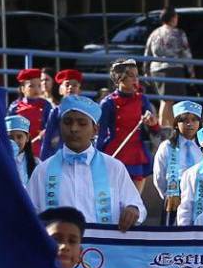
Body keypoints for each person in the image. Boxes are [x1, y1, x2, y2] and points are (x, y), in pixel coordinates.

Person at [28, 96, 144, 231]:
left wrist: (133, 209)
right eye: (67, 122)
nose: (74, 129)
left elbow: (137, 206)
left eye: (82, 123)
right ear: (60, 126)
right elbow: (29, 213)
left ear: (95, 129)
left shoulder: (114, 168)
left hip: (104, 250)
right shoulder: (43, 171)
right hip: (58, 249)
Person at [96, 60, 158, 192]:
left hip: (136, 154)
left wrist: (153, 123)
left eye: (137, 75)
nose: (136, 79)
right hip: (115, 152)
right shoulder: (108, 103)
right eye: (131, 76)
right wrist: (96, 157)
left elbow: (155, 129)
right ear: (119, 78)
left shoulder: (142, 99)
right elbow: (101, 133)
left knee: (135, 202)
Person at [151, 100, 203, 224]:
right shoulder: (167, 146)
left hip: (200, 195)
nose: (189, 124)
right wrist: (170, 194)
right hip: (174, 196)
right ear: (176, 124)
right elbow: (159, 177)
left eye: (194, 120)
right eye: (184, 120)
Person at [144, 7, 192, 116]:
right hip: (173, 69)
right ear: (173, 18)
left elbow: (147, 53)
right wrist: (191, 71)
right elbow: (186, 53)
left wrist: (146, 71)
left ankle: (165, 126)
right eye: (176, 16)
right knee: (170, 101)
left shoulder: (154, 33)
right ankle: (166, 127)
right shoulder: (178, 33)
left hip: (156, 70)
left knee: (165, 101)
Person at [7, 68, 53, 157]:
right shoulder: (15, 106)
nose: (36, 89)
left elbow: (51, 124)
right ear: (23, 88)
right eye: (31, 86)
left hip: (41, 148)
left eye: (39, 86)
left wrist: (46, 131)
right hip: (20, 147)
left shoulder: (46, 105)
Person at [40, 69, 84, 160]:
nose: (71, 87)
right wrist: (43, 161)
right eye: (67, 85)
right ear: (60, 90)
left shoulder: (86, 112)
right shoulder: (56, 111)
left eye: (75, 85)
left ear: (80, 90)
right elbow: (47, 138)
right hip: (60, 155)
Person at [6, 116, 36, 187]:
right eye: (10, 137)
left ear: (27, 138)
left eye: (19, 137)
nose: (15, 141)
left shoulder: (36, 163)